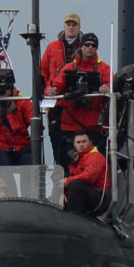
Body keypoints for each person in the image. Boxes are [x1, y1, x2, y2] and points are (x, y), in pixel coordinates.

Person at [51, 32, 112, 168]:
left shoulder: (105, 69)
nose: (90, 47)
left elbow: (112, 86)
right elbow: (56, 86)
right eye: (87, 44)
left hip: (94, 127)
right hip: (71, 126)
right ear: (82, 46)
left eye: (93, 45)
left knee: (96, 167)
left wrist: (106, 88)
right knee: (66, 167)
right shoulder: (69, 68)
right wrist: (51, 90)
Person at [0, 67, 36, 166]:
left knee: (29, 162)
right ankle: (9, 182)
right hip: (0, 147)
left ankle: (25, 181)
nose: (1, 92)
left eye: (3, 89)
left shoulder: (22, 103)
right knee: (4, 164)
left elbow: (35, 123)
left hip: (21, 146)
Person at [63, 132, 109, 218]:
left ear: (90, 142)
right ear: (74, 144)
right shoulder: (76, 160)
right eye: (78, 142)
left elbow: (90, 177)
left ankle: (73, 217)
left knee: (74, 184)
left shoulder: (96, 156)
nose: (81, 145)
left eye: (84, 142)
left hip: (99, 197)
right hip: (85, 193)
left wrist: (67, 181)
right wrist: (63, 193)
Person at [41, 11, 84, 96]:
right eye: (68, 25)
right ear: (64, 26)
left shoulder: (85, 47)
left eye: (74, 25)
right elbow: (43, 71)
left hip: (76, 94)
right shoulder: (52, 47)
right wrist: (47, 89)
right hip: (54, 92)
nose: (71, 28)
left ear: (79, 27)